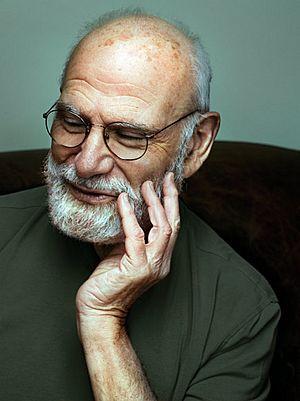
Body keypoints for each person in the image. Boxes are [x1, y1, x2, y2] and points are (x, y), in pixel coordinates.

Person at [0, 9, 280, 401]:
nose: (86, 162)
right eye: (73, 121)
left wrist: (103, 322)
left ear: (195, 145)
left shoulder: (241, 309)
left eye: (129, 136)